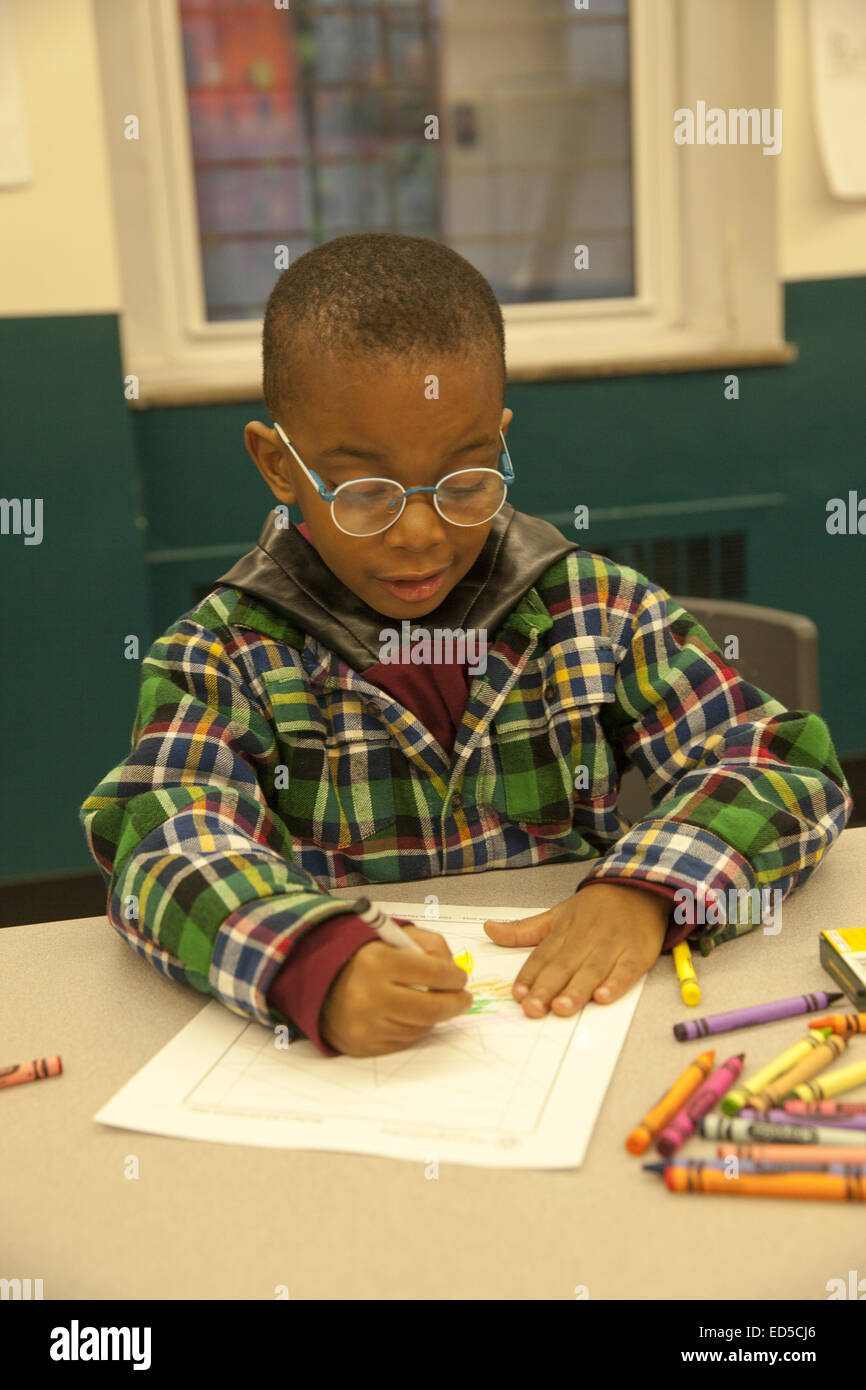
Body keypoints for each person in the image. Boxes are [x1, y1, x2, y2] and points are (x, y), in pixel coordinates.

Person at [80, 233, 852, 1058]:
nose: (421, 532)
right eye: (367, 491)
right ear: (279, 464)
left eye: (465, 481)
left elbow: (782, 767)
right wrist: (309, 959)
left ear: (499, 439)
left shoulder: (591, 606)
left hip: (565, 1031)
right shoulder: (223, 652)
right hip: (352, 1063)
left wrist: (651, 890)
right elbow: (164, 836)